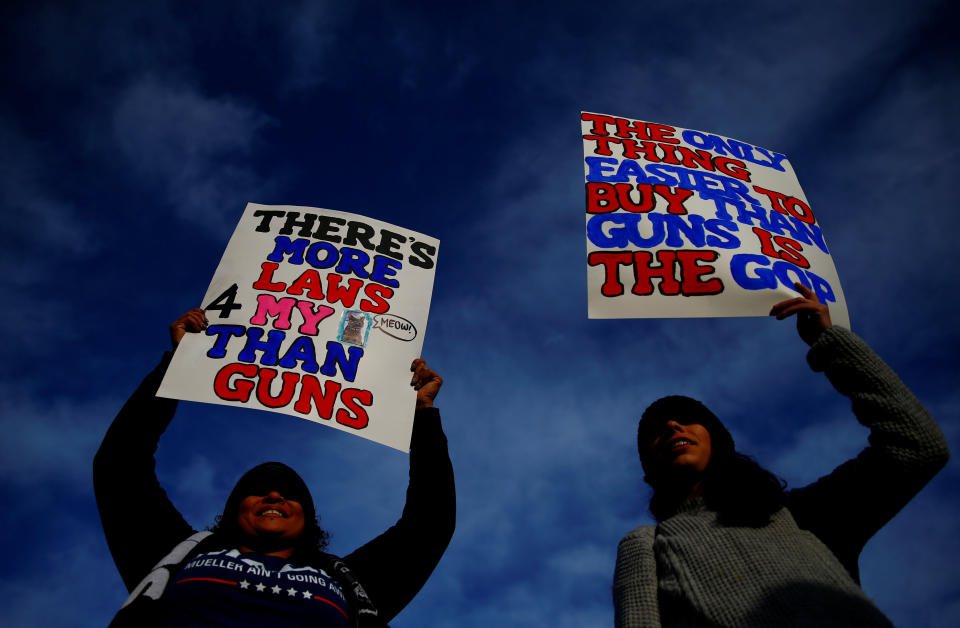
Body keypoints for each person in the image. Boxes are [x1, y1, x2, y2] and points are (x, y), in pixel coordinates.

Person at [613, 283, 949, 627]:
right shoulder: (647, 546)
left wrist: (829, 341)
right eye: (657, 429)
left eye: (687, 419)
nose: (671, 425)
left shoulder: (800, 514)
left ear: (718, 441)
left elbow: (918, 447)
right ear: (649, 465)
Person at [94, 309, 455, 627]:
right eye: (257, 489)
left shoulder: (349, 581)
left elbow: (430, 522)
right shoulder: (178, 553)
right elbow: (121, 465)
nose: (274, 494)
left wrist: (422, 416)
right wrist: (177, 365)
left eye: (291, 494)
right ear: (233, 510)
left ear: (308, 519)